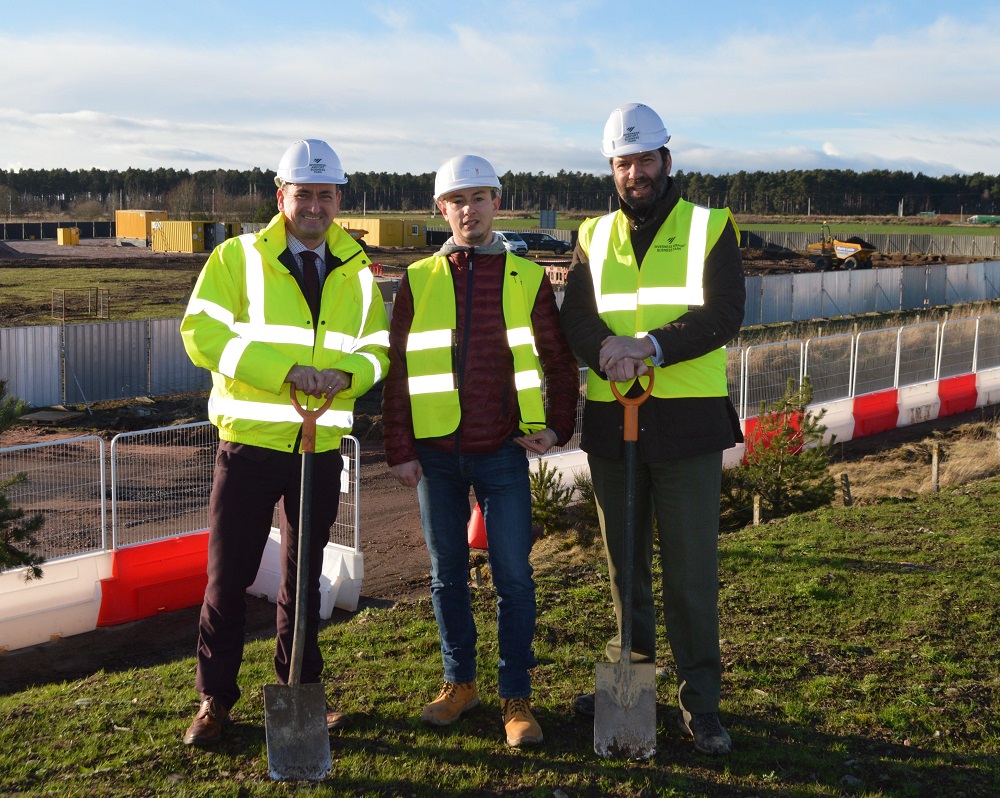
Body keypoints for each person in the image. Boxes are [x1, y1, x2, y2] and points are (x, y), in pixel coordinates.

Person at [179, 139, 390, 745]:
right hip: (249, 445)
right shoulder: (237, 258)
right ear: (282, 197)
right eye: (304, 194)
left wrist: (349, 377)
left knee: (305, 579)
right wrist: (287, 372)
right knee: (229, 577)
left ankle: (299, 691)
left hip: (318, 447)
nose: (315, 206)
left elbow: (377, 349)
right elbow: (202, 335)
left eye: (326, 195)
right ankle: (214, 700)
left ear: (339, 200)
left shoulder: (358, 271)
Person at [560, 104, 745, 755]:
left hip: (688, 429)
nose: (634, 172)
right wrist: (607, 349)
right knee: (623, 569)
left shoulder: (709, 227)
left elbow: (724, 312)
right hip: (615, 426)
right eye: (622, 162)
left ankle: (702, 705)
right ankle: (629, 692)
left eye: (644, 159)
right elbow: (575, 318)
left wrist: (649, 346)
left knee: (691, 574)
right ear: (612, 167)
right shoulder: (592, 234)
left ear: (667, 160)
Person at [381, 154, 579, 747]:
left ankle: (515, 697)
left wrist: (559, 426)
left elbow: (557, 360)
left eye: (480, 198)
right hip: (435, 456)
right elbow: (398, 372)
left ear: (498, 203)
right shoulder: (418, 279)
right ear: (442, 210)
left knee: (514, 576)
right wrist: (399, 448)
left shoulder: (526, 277)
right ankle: (458, 683)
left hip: (501, 451)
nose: (469, 210)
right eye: (457, 200)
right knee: (446, 577)